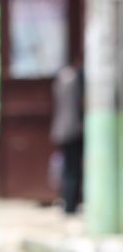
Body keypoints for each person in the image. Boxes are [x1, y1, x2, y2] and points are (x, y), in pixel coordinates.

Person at [51, 63, 83, 215]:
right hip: (73, 131)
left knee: (67, 169)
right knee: (72, 169)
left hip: (61, 130)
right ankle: (71, 205)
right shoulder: (75, 80)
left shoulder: (59, 81)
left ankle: (68, 204)